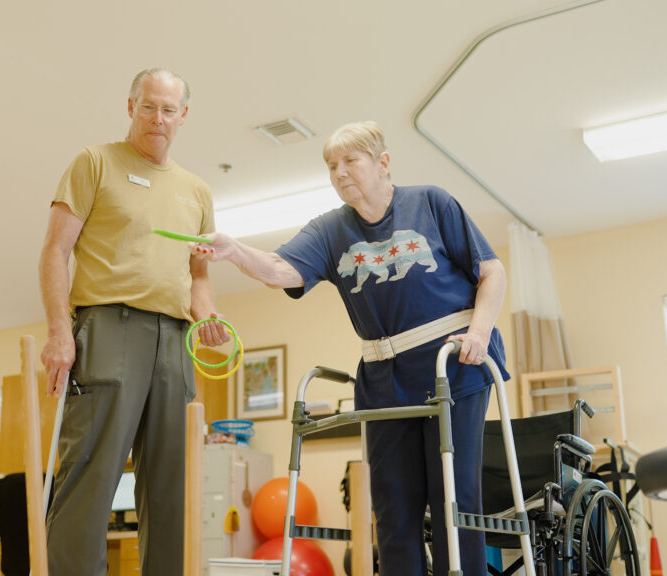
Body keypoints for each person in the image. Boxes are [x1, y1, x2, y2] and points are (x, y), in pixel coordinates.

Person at [190, 121, 508, 576]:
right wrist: (235, 250)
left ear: (383, 163)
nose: (339, 173)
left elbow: (492, 272)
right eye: (331, 165)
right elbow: (282, 269)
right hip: (384, 379)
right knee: (392, 508)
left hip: (453, 366)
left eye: (350, 161)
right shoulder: (330, 229)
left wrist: (479, 334)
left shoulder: (430, 203)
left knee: (451, 501)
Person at [38, 67, 228, 576]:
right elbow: (55, 251)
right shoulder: (94, 162)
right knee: (91, 476)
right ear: (130, 106)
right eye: (148, 106)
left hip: (176, 340)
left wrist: (207, 319)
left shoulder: (197, 191)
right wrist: (60, 332)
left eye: (169, 109)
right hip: (109, 328)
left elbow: (199, 277)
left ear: (183, 116)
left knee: (173, 485)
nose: (158, 118)